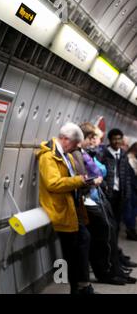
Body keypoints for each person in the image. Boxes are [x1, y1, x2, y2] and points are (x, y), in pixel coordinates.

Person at [37, 122, 100, 294]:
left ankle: (82, 286)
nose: (73, 148)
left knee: (81, 242)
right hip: (60, 209)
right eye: (73, 144)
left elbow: (72, 176)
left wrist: (84, 180)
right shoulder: (48, 157)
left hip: (71, 207)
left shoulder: (65, 155)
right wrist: (81, 180)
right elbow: (53, 183)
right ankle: (79, 288)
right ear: (65, 139)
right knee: (72, 252)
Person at [79, 122, 136, 285]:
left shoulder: (89, 153)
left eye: (94, 138)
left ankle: (114, 267)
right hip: (92, 198)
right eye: (91, 138)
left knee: (111, 231)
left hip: (99, 197)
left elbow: (119, 175)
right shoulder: (90, 154)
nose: (93, 141)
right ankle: (107, 271)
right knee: (104, 235)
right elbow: (99, 171)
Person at [99, 129, 137, 241]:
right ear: (110, 140)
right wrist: (104, 187)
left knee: (116, 223)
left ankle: (115, 252)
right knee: (107, 224)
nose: (117, 141)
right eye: (114, 139)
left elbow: (127, 177)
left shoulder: (123, 155)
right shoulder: (103, 154)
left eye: (119, 138)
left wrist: (127, 194)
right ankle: (108, 252)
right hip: (108, 193)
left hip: (120, 194)